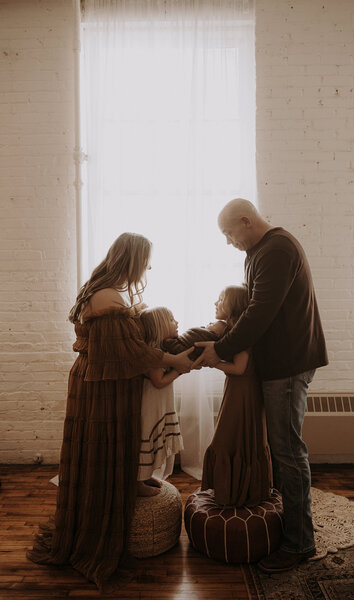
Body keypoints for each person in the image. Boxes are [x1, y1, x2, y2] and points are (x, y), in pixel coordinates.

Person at [26, 232, 194, 592]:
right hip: (102, 389)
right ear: (131, 259)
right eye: (145, 260)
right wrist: (175, 360)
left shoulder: (105, 290)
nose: (148, 267)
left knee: (101, 452)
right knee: (103, 450)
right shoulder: (107, 297)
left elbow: (126, 347)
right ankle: (98, 532)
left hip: (100, 382)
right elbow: (131, 352)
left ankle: (118, 497)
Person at [194, 199, 328, 573]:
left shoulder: (277, 249)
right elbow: (251, 308)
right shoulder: (260, 253)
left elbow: (260, 312)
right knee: (284, 449)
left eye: (228, 233)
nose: (228, 241)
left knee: (287, 452)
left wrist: (219, 348)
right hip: (279, 365)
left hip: (288, 365)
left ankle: (299, 543)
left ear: (245, 220)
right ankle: (294, 529)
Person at [201, 284, 273, 507]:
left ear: (233, 305)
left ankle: (234, 493)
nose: (216, 303)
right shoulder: (234, 329)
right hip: (239, 389)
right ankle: (236, 490)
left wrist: (215, 363)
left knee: (227, 437)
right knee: (235, 438)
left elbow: (239, 368)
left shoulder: (241, 334)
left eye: (221, 299)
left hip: (243, 392)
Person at [137, 307, 184, 496]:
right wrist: (180, 370)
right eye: (172, 319)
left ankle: (146, 475)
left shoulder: (161, 350)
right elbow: (159, 381)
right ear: (160, 326)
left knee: (152, 441)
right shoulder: (154, 353)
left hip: (160, 404)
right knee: (147, 440)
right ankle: (138, 482)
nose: (177, 322)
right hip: (151, 406)